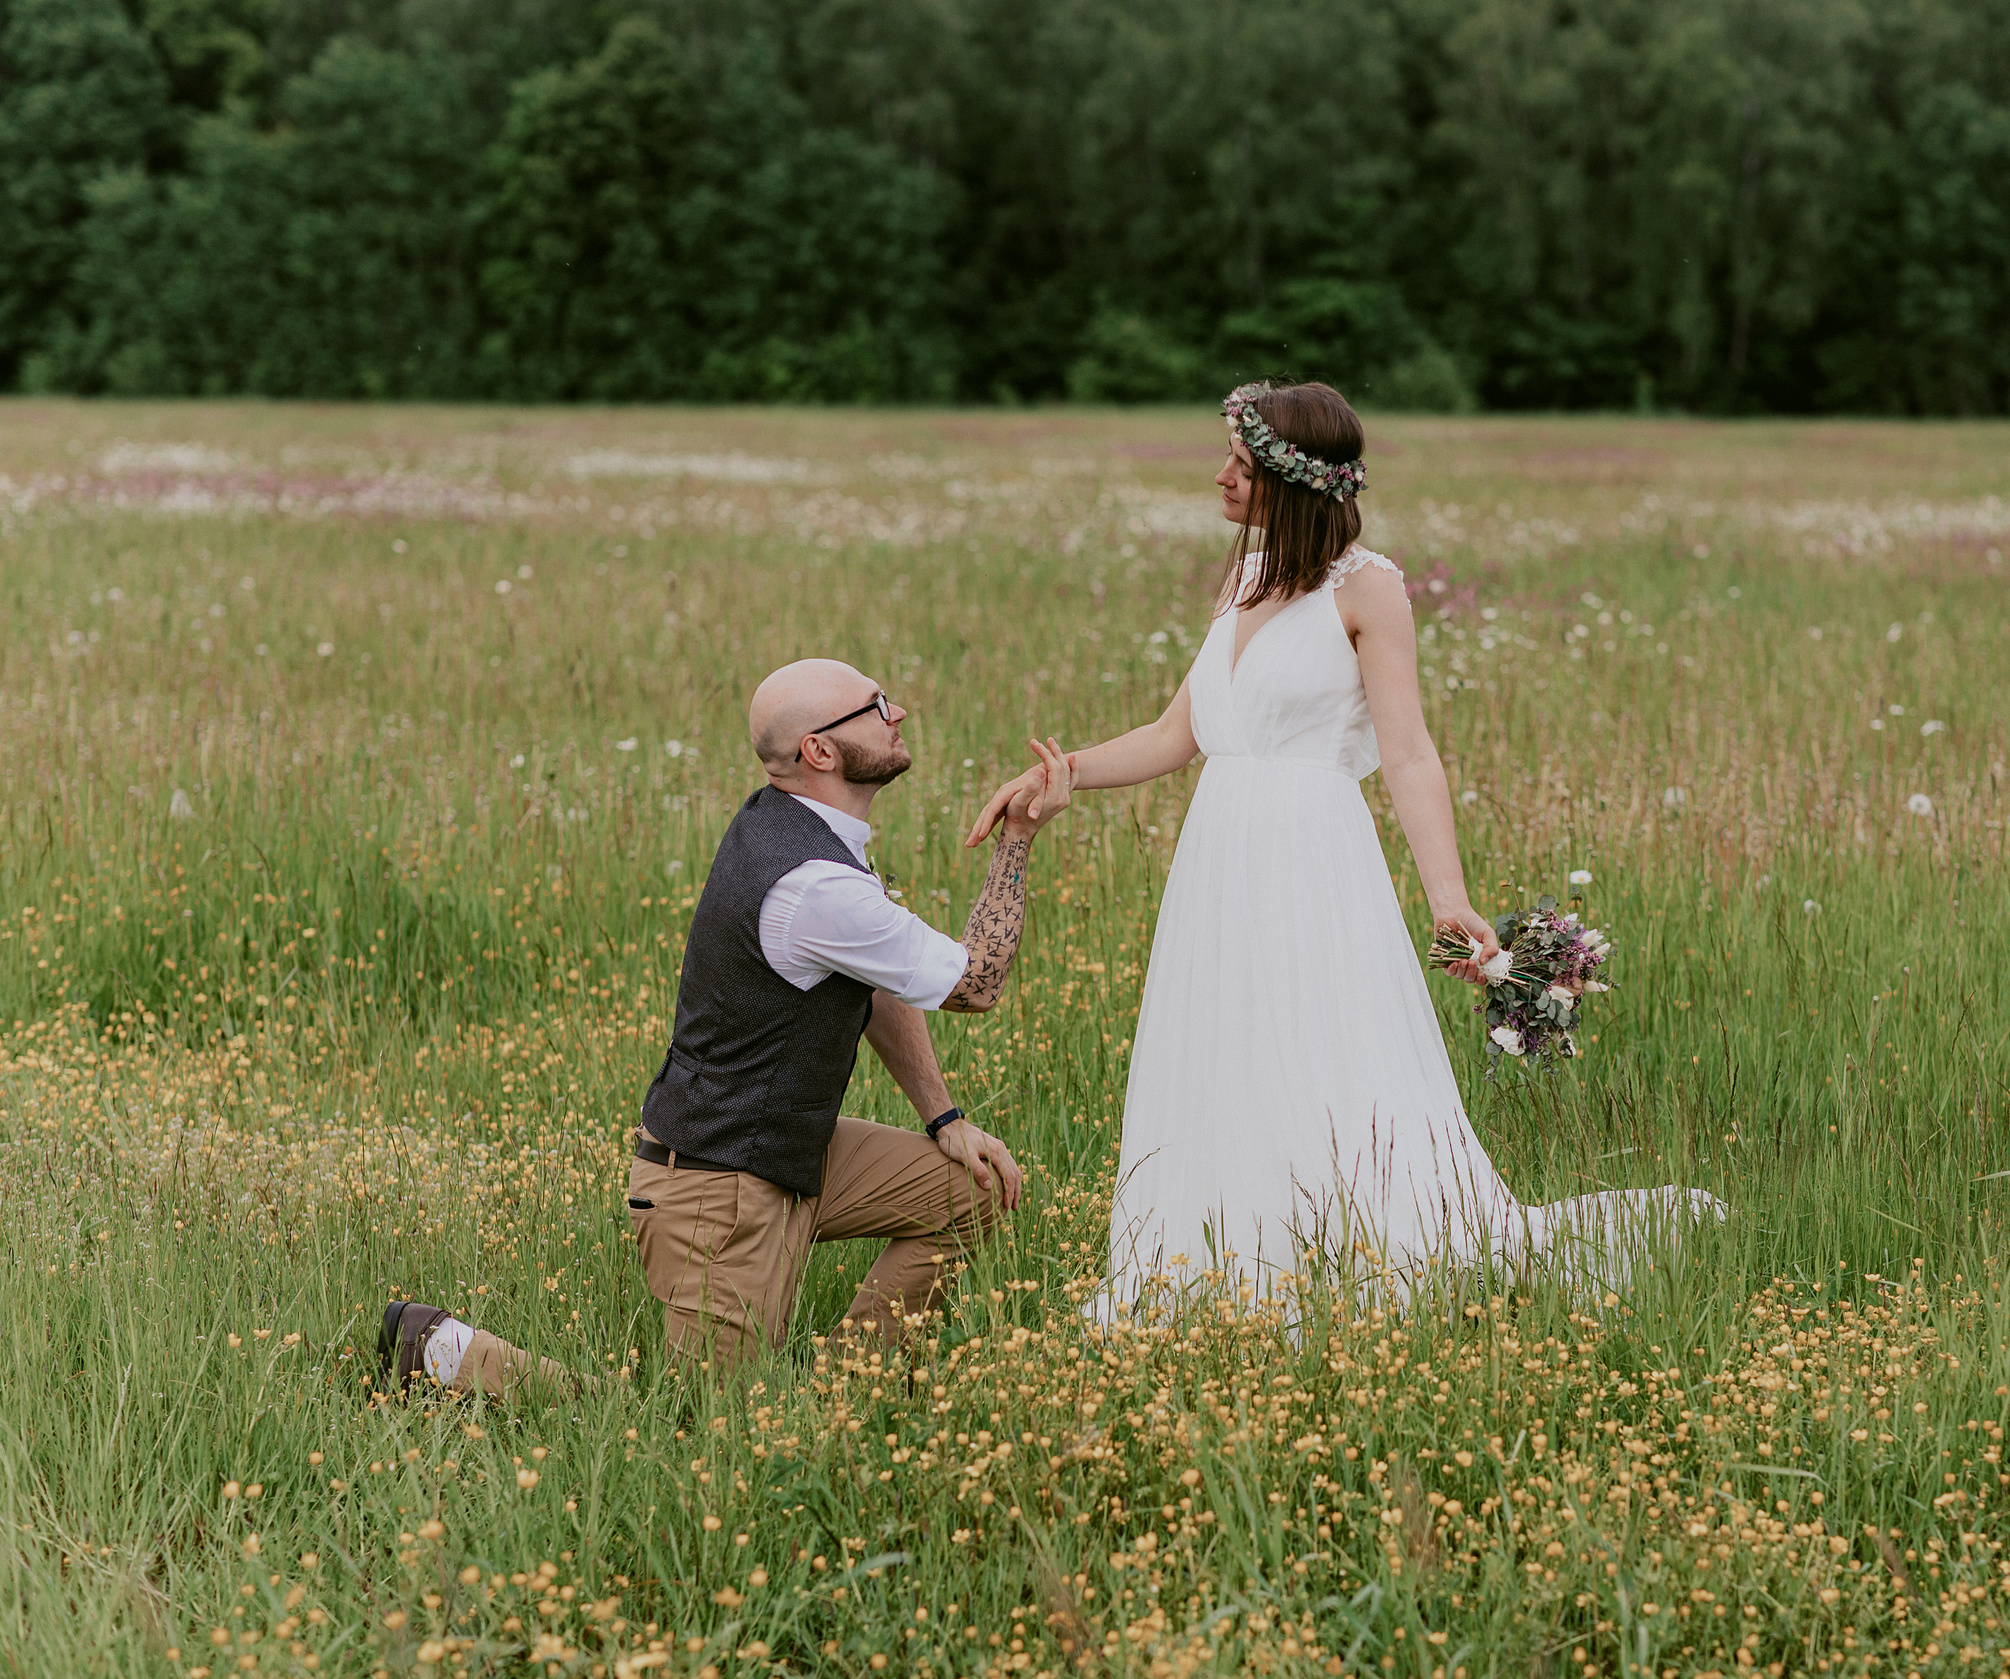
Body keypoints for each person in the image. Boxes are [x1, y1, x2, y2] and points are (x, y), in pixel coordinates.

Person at [967, 381, 1718, 1322]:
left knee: (1318, 1052)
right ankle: (1218, 1259)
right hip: (1220, 863)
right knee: (1227, 1049)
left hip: (1311, 859)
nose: (1220, 481)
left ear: (1290, 480)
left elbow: (1406, 750)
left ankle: (1346, 1252)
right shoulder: (1241, 581)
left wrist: (1449, 897)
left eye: (1239, 468)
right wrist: (1061, 773)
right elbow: (1176, 735)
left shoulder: (1369, 590)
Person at [377, 658, 1073, 1399]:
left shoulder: (805, 830)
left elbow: (878, 980)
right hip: (718, 1193)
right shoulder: (814, 885)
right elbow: (977, 981)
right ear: (821, 751)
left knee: (969, 1190)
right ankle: (443, 1349)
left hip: (787, 1153)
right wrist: (1017, 840)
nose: (897, 712)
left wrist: (944, 1115)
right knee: (699, 1433)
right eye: (875, 706)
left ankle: (842, 1395)